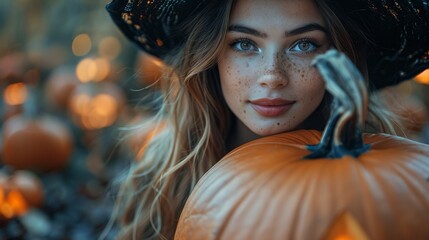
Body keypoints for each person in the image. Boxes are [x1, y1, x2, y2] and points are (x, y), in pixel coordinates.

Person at [104, 0, 429, 239]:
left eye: (304, 45)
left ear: (341, 57)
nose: (272, 76)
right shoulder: (165, 176)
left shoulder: (392, 179)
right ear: (211, 54)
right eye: (245, 44)